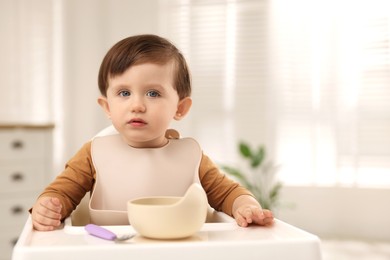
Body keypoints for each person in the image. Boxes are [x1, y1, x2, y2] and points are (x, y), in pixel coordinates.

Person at [31, 34, 274, 231]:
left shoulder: (191, 155)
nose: (137, 105)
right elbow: (61, 192)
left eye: (153, 93)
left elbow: (227, 193)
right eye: (124, 93)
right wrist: (49, 207)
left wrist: (245, 205)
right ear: (107, 107)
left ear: (180, 108)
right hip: (110, 252)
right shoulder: (93, 152)